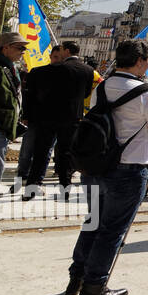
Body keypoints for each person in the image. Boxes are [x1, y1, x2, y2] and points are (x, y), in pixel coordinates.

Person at [68, 38, 148, 295]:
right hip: (128, 170)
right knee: (112, 230)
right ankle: (94, 286)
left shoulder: (103, 87)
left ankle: (77, 276)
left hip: (96, 166)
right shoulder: (147, 93)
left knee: (93, 222)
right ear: (140, 61)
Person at [22, 40, 97, 199]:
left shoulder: (47, 70)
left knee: (41, 152)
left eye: (61, 50)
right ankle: (65, 187)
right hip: (72, 118)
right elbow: (85, 95)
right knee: (66, 153)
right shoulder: (88, 71)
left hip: (47, 117)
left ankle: (32, 186)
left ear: (67, 51)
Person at [0, 31, 29, 192]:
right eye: (19, 48)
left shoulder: (9, 67)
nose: (23, 52)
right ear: (6, 47)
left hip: (4, 127)